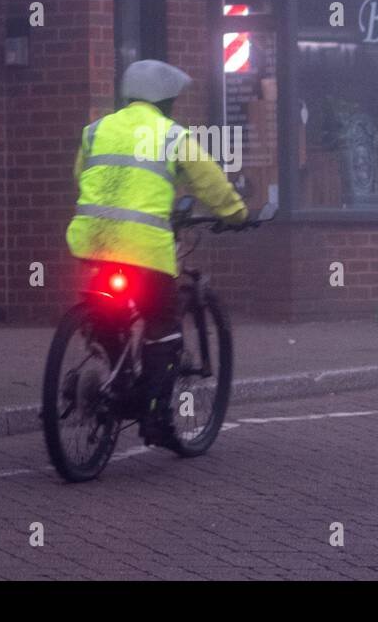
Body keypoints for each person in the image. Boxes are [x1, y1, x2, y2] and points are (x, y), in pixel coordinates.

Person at [66, 59, 248, 445]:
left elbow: (82, 177)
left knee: (109, 315)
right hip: (145, 250)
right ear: (165, 101)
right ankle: (155, 418)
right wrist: (235, 214)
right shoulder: (171, 135)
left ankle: (111, 383)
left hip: (93, 243)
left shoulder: (96, 130)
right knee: (163, 326)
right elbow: (210, 183)